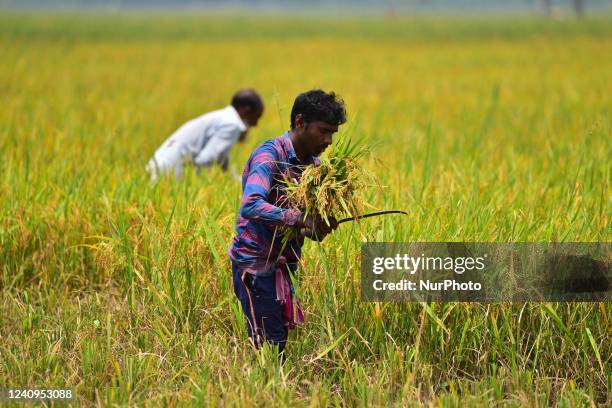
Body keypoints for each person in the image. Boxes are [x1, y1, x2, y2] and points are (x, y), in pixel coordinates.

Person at [228, 89, 346, 357]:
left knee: (274, 342)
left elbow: (305, 228)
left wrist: (317, 226)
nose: (328, 140)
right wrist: (300, 218)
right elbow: (251, 205)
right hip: (255, 264)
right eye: (323, 130)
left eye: (332, 134)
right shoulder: (269, 156)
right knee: (270, 345)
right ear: (300, 122)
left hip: (283, 265)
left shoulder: (313, 168)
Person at [146, 89, 264, 181]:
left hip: (159, 163)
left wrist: (239, 182)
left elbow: (222, 160)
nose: (255, 124)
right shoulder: (232, 125)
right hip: (170, 171)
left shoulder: (224, 117)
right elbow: (206, 159)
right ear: (246, 111)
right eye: (256, 117)